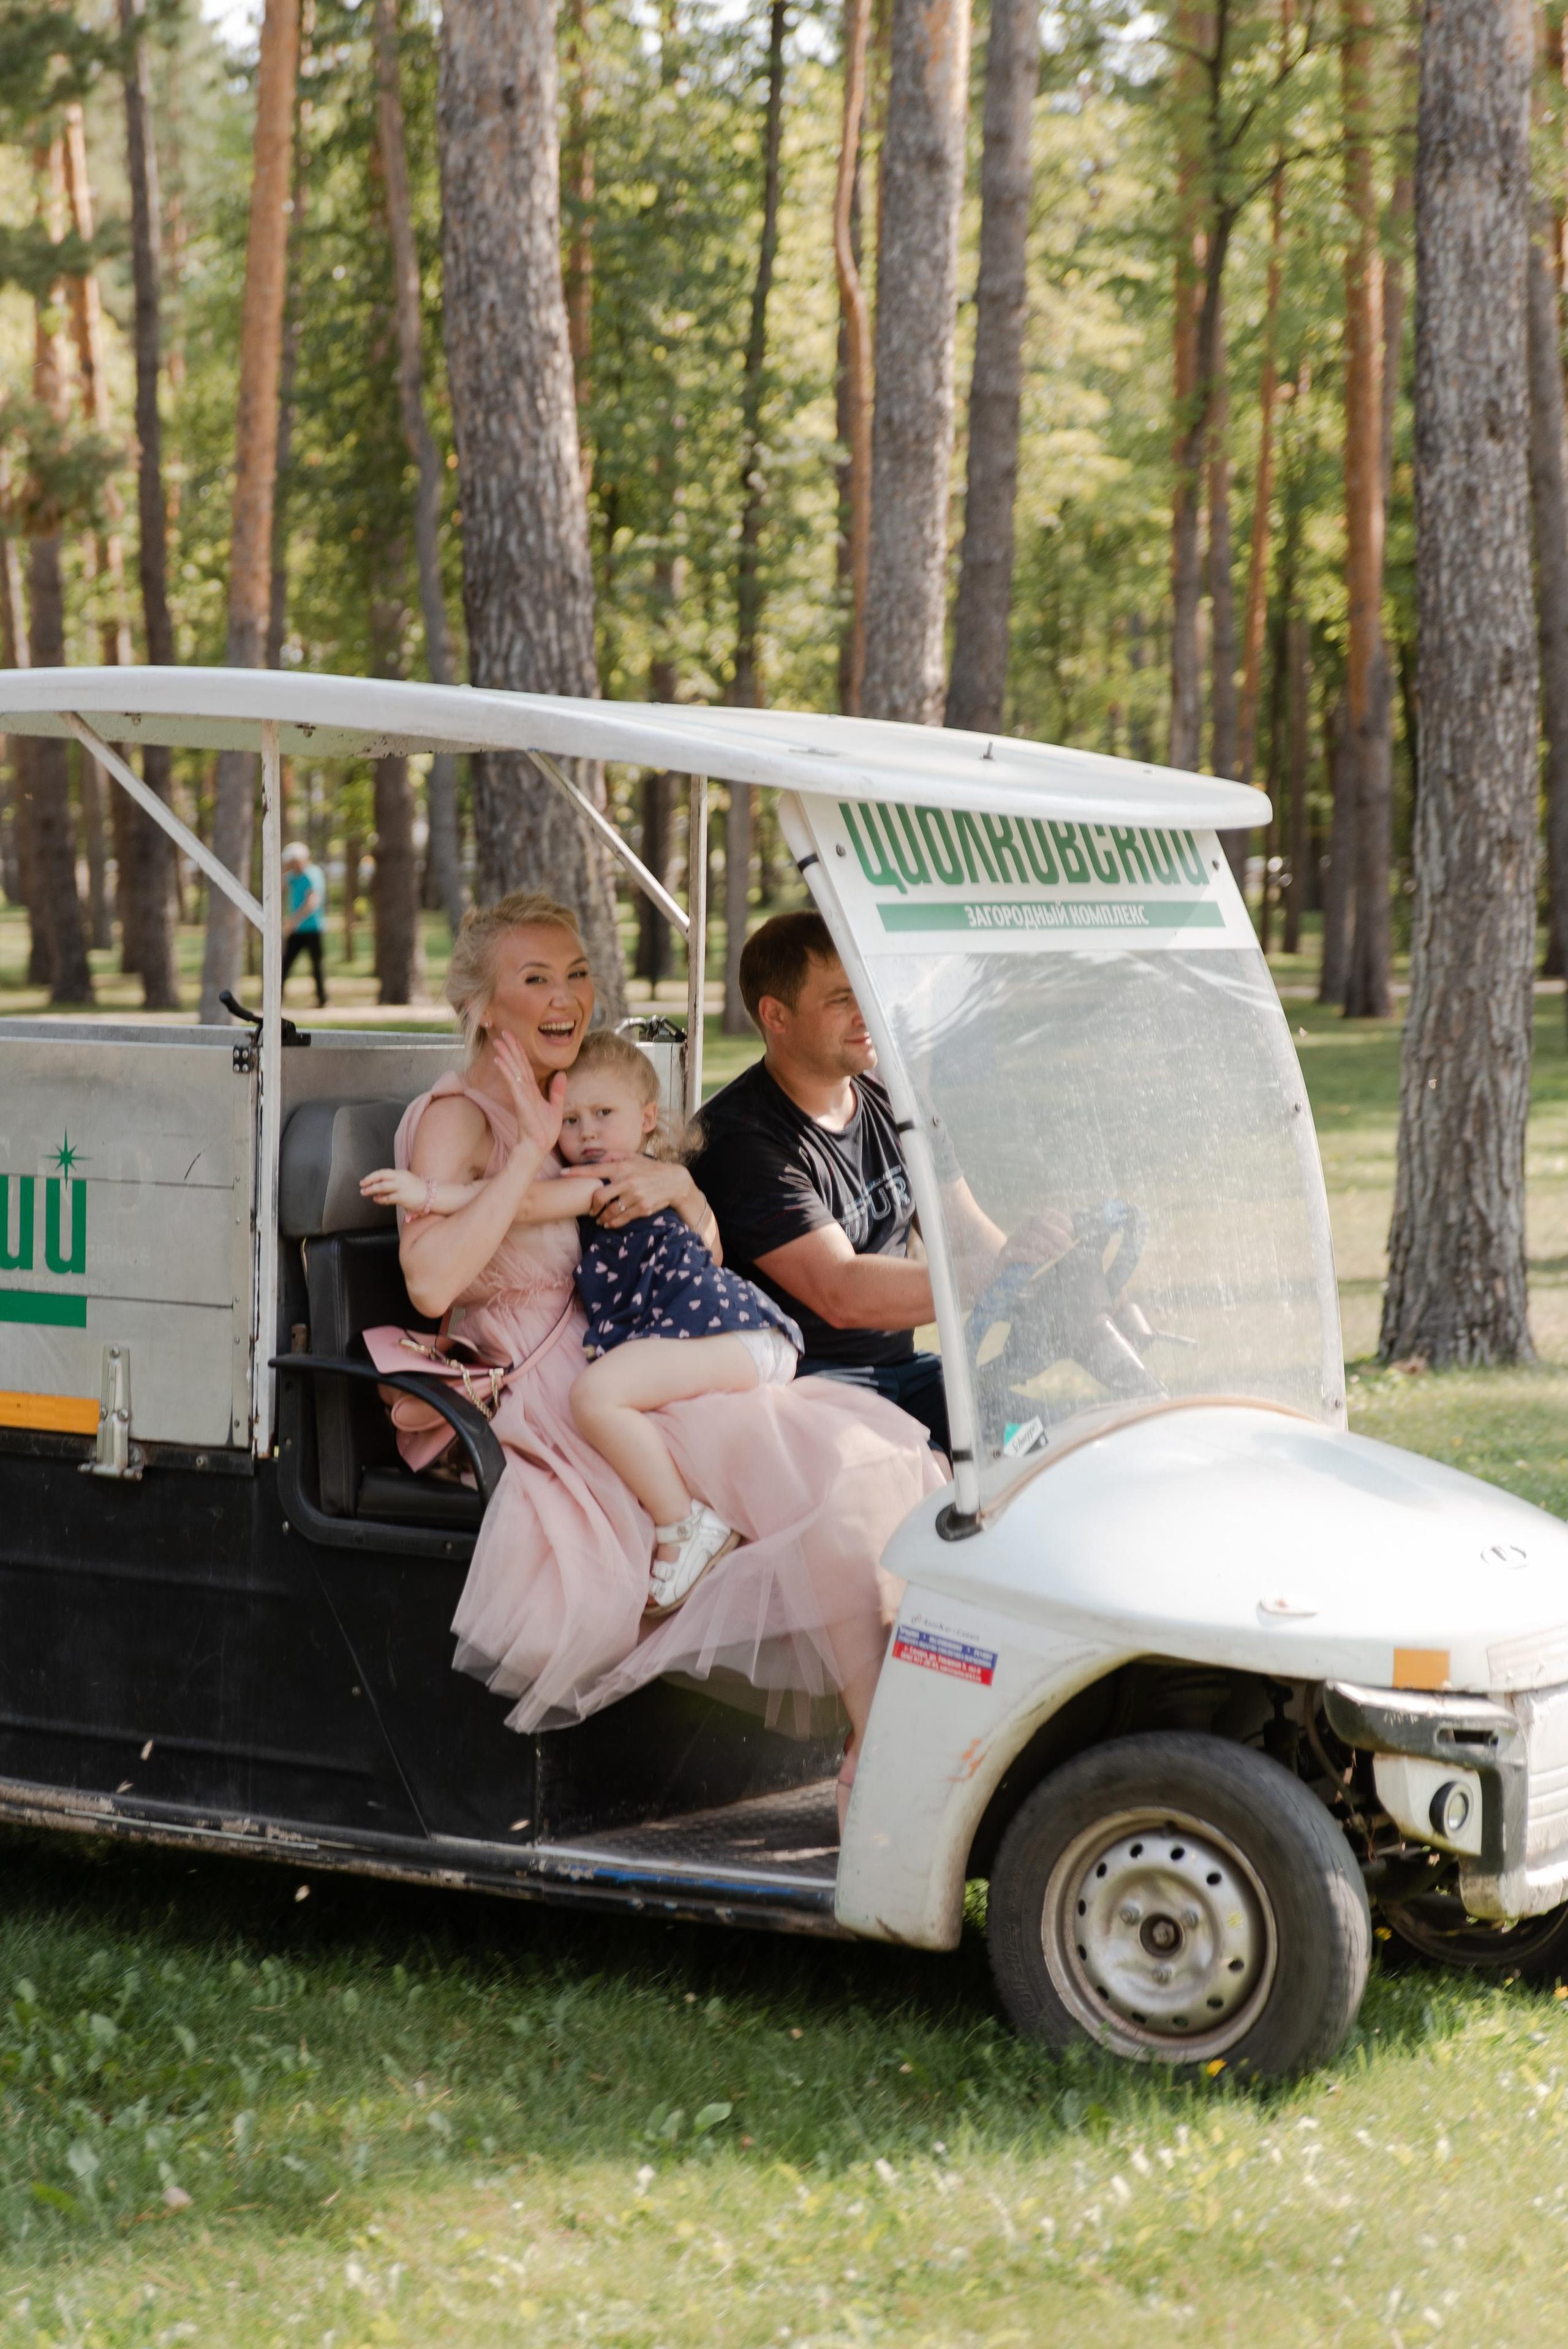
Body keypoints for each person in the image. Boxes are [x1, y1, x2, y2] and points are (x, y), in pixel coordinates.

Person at [389, 890, 946, 1824]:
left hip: (628, 1347)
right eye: (536, 979)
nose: (567, 995)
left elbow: (668, 1221)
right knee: (800, 1469)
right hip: (550, 1387)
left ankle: (876, 1744)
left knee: (838, 1467)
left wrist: (677, 1183)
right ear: (485, 1005)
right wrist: (527, 1153)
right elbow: (431, 1282)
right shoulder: (459, 1115)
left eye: (576, 973)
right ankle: (874, 1757)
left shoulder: (577, 1104)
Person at [363, 1027, 804, 1616]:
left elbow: (517, 1203)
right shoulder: (631, 1175)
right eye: (570, 1121)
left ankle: (683, 1525)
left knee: (595, 1396)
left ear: (648, 1117)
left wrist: (426, 1191)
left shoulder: (613, 1178)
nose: (587, 1132)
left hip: (733, 1336)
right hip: (732, 1336)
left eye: (603, 1114)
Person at [689, 910, 1070, 1454]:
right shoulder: (741, 1143)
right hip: (811, 1392)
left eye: (869, 989)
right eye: (841, 999)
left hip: (906, 1376)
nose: (866, 1011)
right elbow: (842, 1293)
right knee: (945, 1482)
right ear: (776, 1015)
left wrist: (1048, 1273)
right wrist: (994, 1272)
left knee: (1048, 1447)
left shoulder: (898, 1103)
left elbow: (965, 1231)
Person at [282, 840, 328, 1007]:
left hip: (312, 927)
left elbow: (312, 902)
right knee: (285, 964)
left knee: (317, 965)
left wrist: (294, 920)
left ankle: (323, 999)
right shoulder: (293, 876)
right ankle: (276, 997)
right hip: (297, 929)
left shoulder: (312, 873)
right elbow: (279, 888)